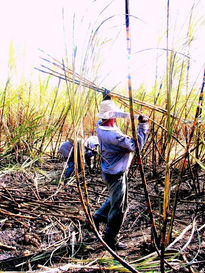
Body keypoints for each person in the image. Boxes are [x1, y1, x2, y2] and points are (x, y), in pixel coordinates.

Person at [92, 99, 149, 250]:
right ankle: (110, 238)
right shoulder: (114, 137)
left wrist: (106, 97)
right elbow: (136, 145)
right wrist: (143, 125)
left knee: (114, 198)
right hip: (116, 174)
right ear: (112, 116)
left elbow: (113, 116)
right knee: (120, 207)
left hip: (109, 171)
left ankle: (97, 217)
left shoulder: (100, 125)